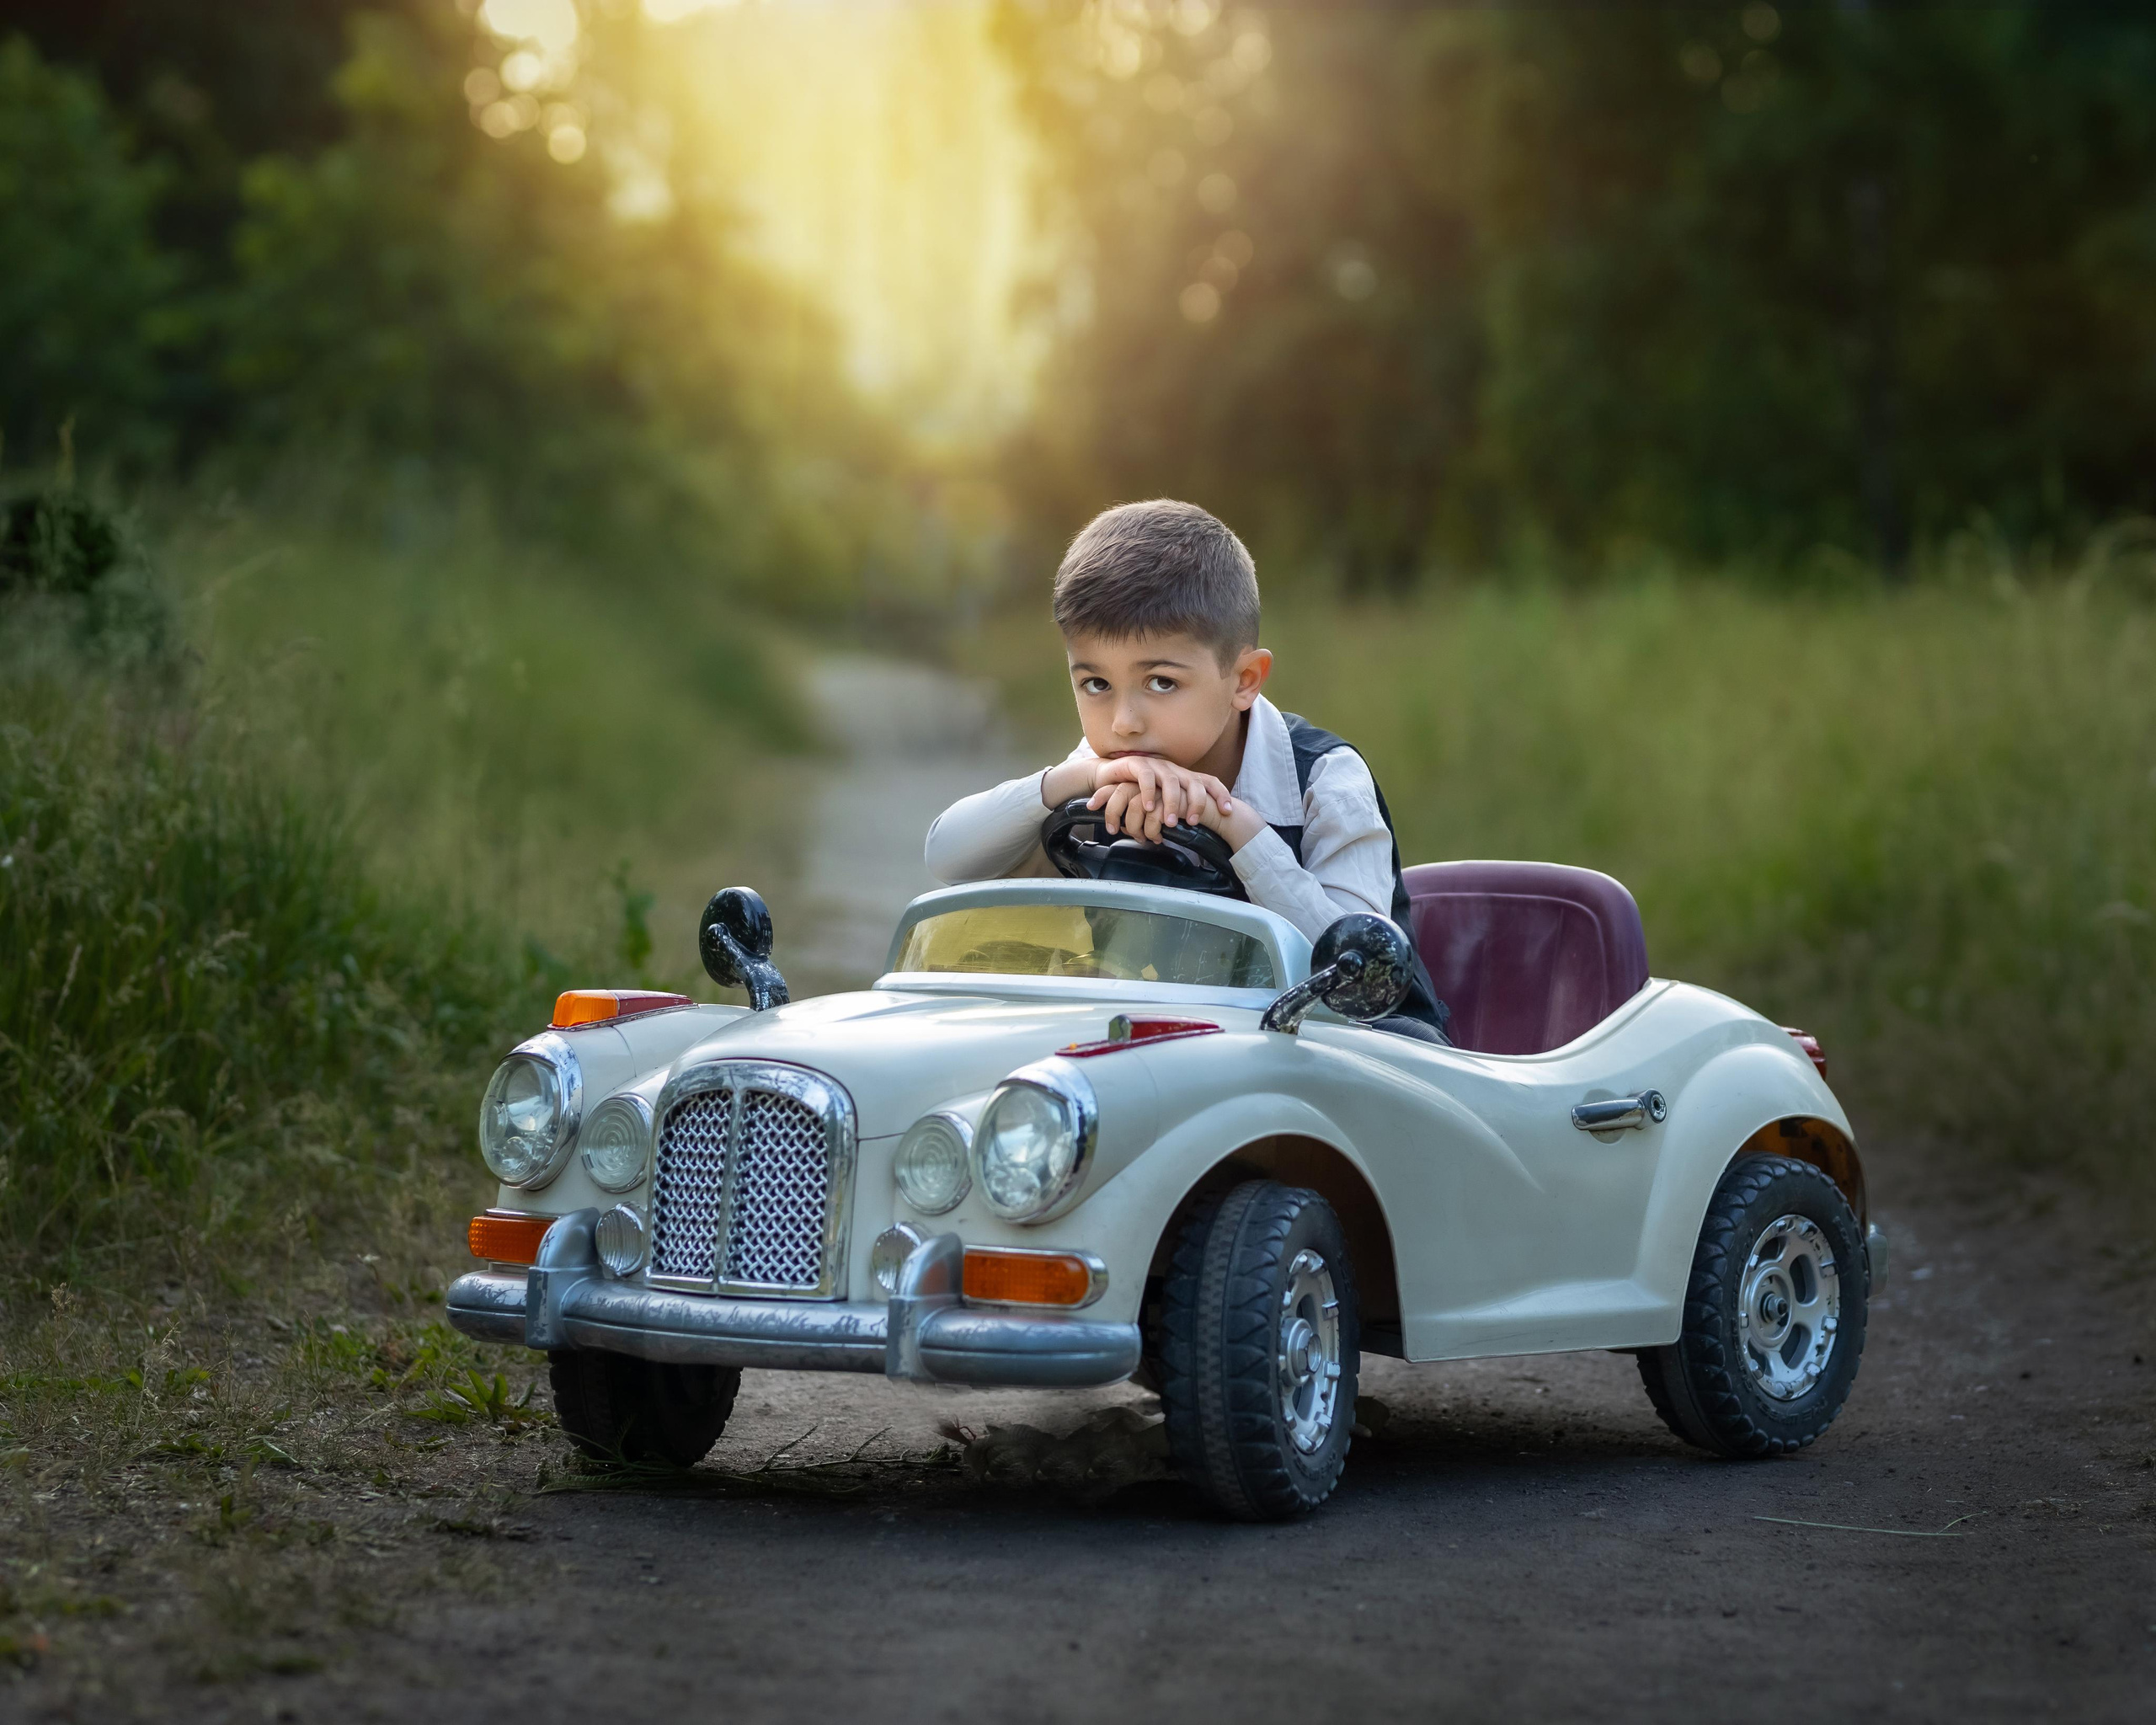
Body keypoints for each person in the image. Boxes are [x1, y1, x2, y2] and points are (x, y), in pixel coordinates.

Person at [924, 498, 1451, 1043]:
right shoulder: (1102, 771)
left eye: (1161, 683)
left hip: (1369, 1056)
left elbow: (1354, 980)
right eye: (1096, 685)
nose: (1124, 724)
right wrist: (1068, 781)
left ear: (1245, 679)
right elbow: (948, 857)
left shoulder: (1325, 780)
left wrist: (1231, 824)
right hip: (1194, 1045)